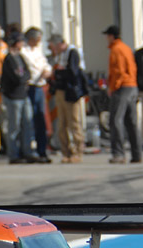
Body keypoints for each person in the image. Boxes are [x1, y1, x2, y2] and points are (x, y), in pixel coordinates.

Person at [103, 25, 141, 164]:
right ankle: (137, 154)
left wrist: (112, 87)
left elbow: (118, 71)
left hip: (122, 87)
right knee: (131, 121)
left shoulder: (116, 49)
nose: (106, 39)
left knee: (115, 120)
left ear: (111, 36)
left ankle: (118, 154)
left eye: (107, 36)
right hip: (132, 85)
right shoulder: (126, 48)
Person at [0, 32, 39, 164]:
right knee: (14, 126)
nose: (22, 44)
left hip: (24, 95)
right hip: (13, 96)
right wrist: (23, 79)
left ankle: (27, 151)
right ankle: (13, 154)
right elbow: (15, 77)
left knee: (27, 124)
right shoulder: (9, 59)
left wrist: (24, 78)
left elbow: (27, 72)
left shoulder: (20, 57)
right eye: (20, 41)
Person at [48, 34, 88, 163]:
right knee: (62, 123)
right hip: (60, 91)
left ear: (60, 44)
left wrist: (59, 73)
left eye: (54, 46)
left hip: (71, 93)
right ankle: (66, 151)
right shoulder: (59, 56)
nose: (53, 49)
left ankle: (77, 151)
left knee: (74, 122)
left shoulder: (72, 52)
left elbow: (73, 72)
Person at [21, 27, 53, 163]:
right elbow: (31, 68)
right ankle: (28, 150)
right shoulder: (24, 51)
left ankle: (42, 149)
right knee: (29, 119)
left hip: (40, 86)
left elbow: (45, 65)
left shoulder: (38, 52)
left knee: (41, 118)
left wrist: (47, 71)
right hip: (30, 87)